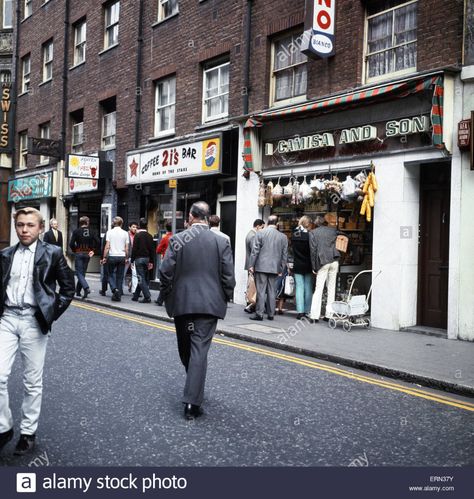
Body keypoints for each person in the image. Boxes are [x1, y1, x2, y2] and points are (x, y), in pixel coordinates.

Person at [0, 207, 74, 456]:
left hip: (34, 320)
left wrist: (49, 313)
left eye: (30, 225)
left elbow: (68, 289)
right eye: (20, 224)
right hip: (7, 319)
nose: (24, 229)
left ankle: (28, 433)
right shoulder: (6, 254)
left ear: (40, 228)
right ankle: (4, 427)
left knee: (32, 381)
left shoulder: (52, 253)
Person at [159, 201, 235, 420]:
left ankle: (191, 401)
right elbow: (228, 276)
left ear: (191, 217)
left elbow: (165, 272)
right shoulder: (221, 242)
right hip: (209, 305)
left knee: (187, 349)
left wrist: (167, 292)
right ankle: (194, 389)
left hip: (182, 303)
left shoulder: (177, 240)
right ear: (207, 217)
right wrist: (225, 296)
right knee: (196, 351)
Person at [248, 215, 288, 321]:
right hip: (275, 268)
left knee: (261, 291)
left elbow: (255, 251)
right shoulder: (283, 237)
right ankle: (271, 314)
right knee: (272, 291)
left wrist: (251, 265)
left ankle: (259, 314)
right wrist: (281, 269)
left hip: (261, 266)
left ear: (267, 222)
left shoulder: (260, 233)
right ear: (277, 223)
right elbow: (284, 255)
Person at [309, 216, 341, 323]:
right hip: (334, 260)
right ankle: (329, 315)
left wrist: (314, 267)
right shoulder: (333, 231)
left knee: (319, 289)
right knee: (331, 288)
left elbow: (313, 251)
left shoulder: (313, 233)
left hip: (323, 261)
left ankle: (314, 316)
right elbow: (344, 235)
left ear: (316, 224)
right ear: (325, 223)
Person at [69, 216, 98, 299]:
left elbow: (71, 243)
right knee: (83, 273)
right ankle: (78, 291)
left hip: (79, 252)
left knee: (79, 273)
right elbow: (98, 241)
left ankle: (86, 287)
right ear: (87, 222)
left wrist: (75, 251)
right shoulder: (92, 231)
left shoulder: (76, 231)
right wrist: (93, 250)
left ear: (80, 222)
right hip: (87, 253)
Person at [291, 215, 313, 319]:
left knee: (299, 287)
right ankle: (307, 311)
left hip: (298, 263)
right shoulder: (309, 235)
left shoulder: (294, 234)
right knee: (308, 287)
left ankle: (300, 312)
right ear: (308, 224)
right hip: (308, 264)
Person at [103, 216, 129, 302]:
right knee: (120, 276)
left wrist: (104, 257)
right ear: (122, 223)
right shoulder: (125, 233)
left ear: (114, 224)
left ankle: (114, 290)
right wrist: (126, 257)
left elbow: (107, 246)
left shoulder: (109, 232)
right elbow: (127, 248)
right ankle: (118, 294)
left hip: (112, 256)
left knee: (110, 274)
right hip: (121, 256)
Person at [131, 218, 155, 303]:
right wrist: (151, 261)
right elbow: (152, 250)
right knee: (142, 278)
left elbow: (134, 249)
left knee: (141, 278)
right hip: (147, 259)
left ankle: (147, 296)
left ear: (139, 226)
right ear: (147, 226)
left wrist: (132, 260)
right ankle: (136, 296)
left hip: (139, 259)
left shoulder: (137, 235)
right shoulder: (149, 236)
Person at [243, 219, 264, 314]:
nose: (263, 230)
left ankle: (250, 305)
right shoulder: (253, 236)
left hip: (250, 265)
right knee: (253, 287)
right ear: (258, 226)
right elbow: (254, 252)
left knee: (251, 286)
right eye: (262, 227)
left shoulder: (250, 234)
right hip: (253, 265)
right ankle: (250, 306)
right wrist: (253, 265)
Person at [124, 222, 138, 294]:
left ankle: (134, 290)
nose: (135, 229)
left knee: (135, 274)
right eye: (133, 227)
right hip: (127, 256)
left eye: (136, 227)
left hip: (134, 257)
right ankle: (120, 289)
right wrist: (125, 256)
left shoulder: (137, 235)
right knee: (123, 273)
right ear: (129, 227)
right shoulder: (125, 234)